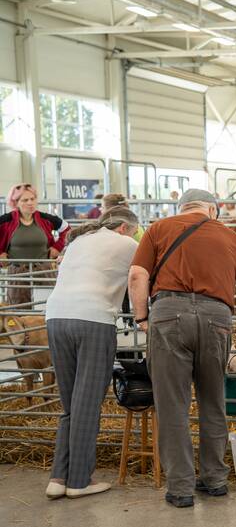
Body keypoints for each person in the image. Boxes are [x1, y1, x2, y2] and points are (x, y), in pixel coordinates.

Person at [128, 189, 236, 509]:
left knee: (173, 404)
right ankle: (214, 479)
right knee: (213, 401)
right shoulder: (227, 234)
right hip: (216, 318)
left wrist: (141, 316)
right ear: (211, 210)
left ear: (181, 208)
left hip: (169, 315)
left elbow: (136, 274)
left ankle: (181, 487)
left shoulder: (159, 228)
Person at [44, 207, 141, 500]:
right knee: (88, 403)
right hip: (94, 319)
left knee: (70, 403)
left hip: (56, 317)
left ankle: (58, 478)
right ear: (125, 227)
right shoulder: (128, 243)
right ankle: (79, 481)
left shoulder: (78, 241)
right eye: (135, 230)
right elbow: (141, 276)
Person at [1, 183, 69, 306]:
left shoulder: (45, 219)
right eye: (25, 200)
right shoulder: (6, 220)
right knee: (19, 310)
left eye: (33, 199)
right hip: (18, 273)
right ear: (15, 203)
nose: (30, 203)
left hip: (43, 272)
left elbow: (66, 228)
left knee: (46, 307)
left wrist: (57, 247)